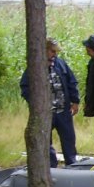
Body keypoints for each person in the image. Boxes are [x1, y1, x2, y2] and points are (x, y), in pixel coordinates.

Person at [20, 37, 79, 167]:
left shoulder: (61, 64)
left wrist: (75, 101)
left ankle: (72, 165)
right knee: (45, 140)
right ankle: (50, 166)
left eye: (56, 52)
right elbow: (25, 87)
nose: (54, 54)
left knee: (68, 138)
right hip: (45, 113)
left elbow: (72, 82)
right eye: (52, 51)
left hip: (63, 109)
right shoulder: (34, 67)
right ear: (44, 50)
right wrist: (35, 103)